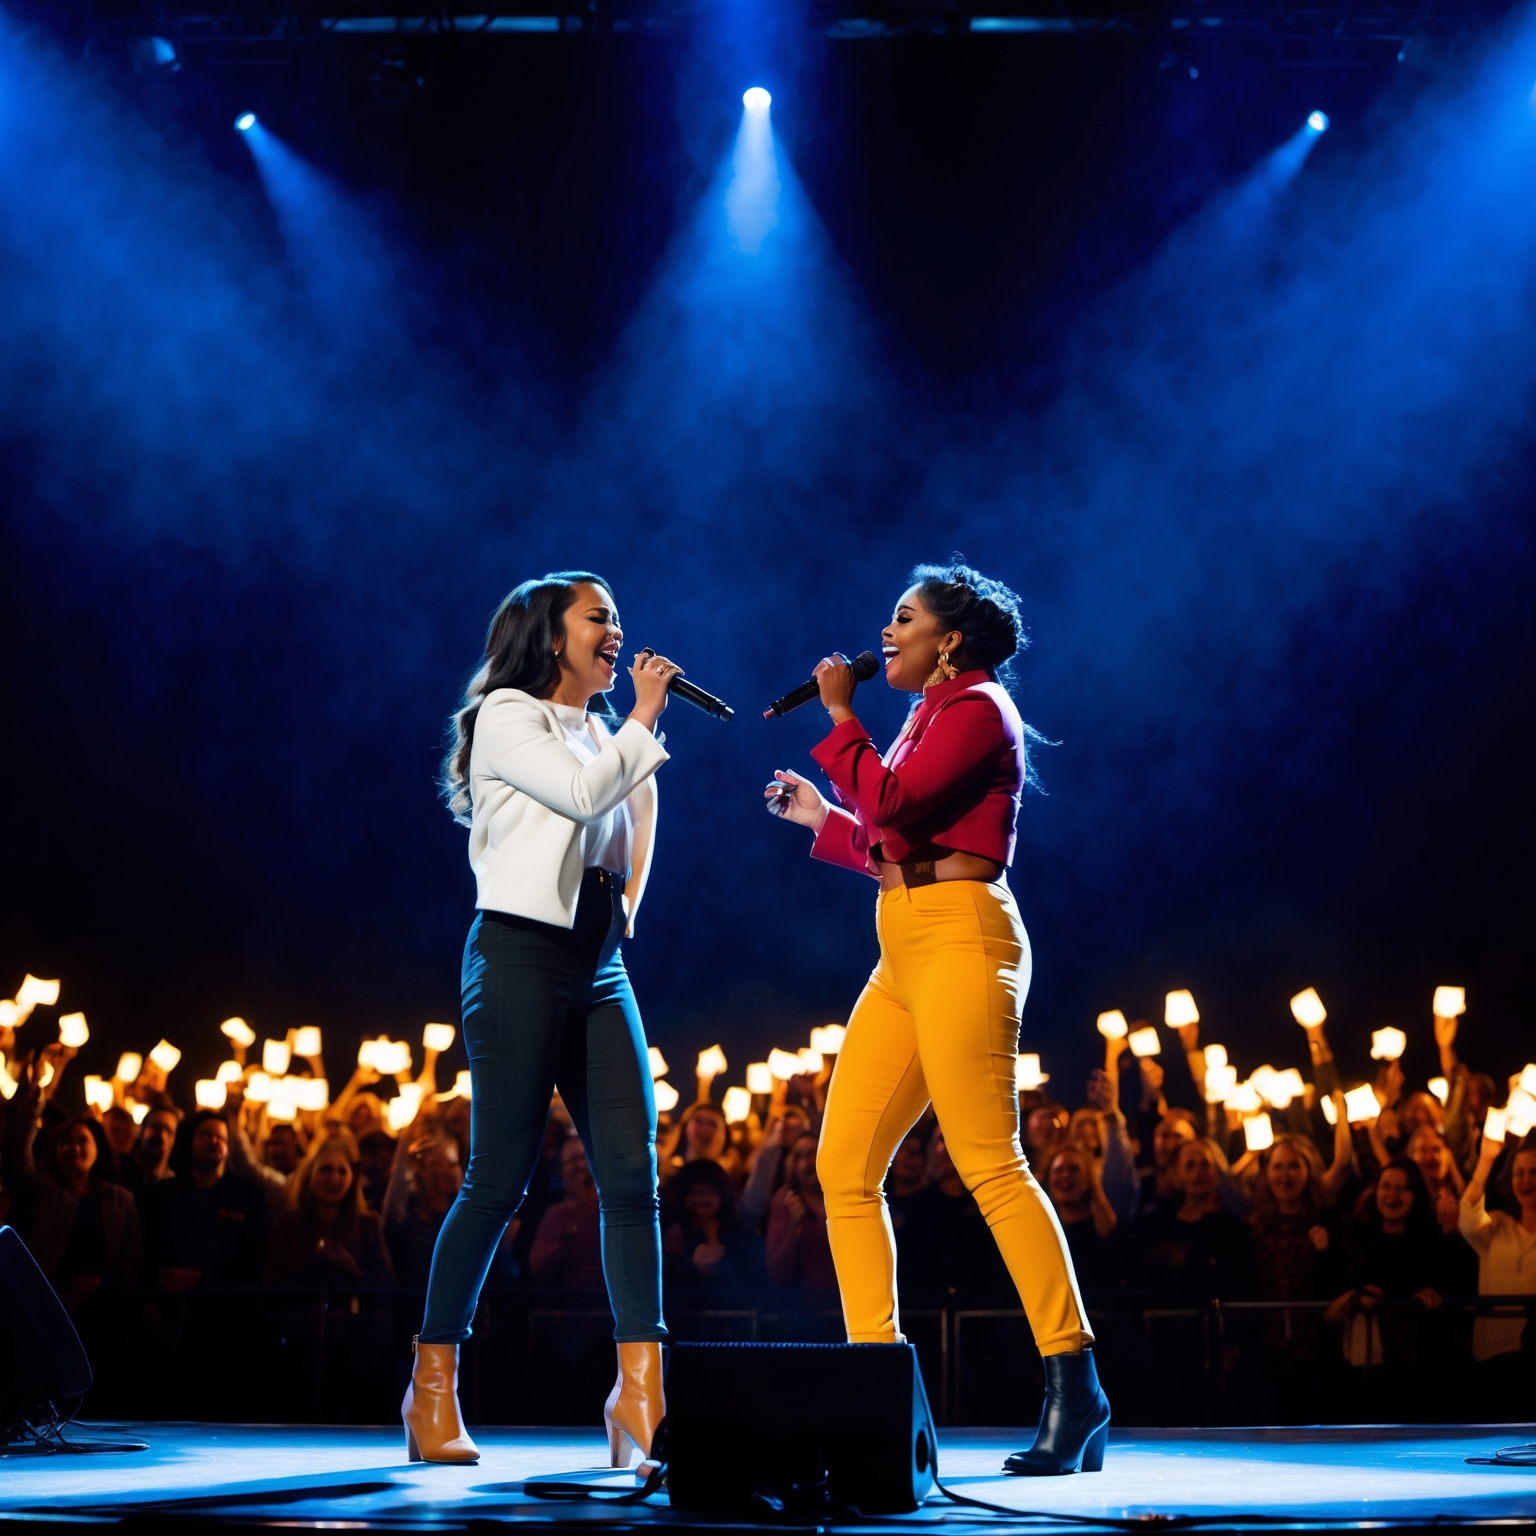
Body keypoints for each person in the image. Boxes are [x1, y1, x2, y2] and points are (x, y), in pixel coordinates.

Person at [765, 561, 1106, 1477]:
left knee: (989, 1161)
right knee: (843, 1167)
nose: (885, 634)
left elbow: (896, 804)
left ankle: (1076, 1386)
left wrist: (840, 718)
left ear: (949, 639)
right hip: (905, 946)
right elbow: (888, 841)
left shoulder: (980, 708)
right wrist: (819, 817)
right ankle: (876, 1382)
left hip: (963, 939)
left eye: (903, 619)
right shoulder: (927, 714)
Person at [407, 572, 678, 1469]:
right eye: (600, 617)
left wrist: (624, 917)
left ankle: (641, 1394)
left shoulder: (604, 727)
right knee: (500, 1180)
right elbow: (583, 796)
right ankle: (432, 1386)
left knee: (633, 1177)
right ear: (548, 633)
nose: (617, 630)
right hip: (519, 956)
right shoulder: (507, 716)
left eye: (617, 616)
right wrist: (643, 715)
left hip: (600, 966)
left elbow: (628, 822)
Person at [137, 1110, 270, 1290]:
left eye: (220, 1137)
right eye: (205, 1135)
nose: (214, 1141)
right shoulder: (162, 1194)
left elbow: (256, 1258)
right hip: (167, 1303)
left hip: (224, 1307)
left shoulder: (249, 1196)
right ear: (190, 1142)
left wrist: (204, 1279)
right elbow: (145, 1251)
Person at [1458, 1131, 1536, 1421]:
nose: (1526, 1181)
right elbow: (1467, 1216)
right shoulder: (1496, 1225)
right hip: (1495, 1354)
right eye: (1519, 1173)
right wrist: (1486, 1159)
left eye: (1534, 1172)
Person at [267, 1129, 394, 1288]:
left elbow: (385, 1287)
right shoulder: (288, 1225)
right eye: (326, 1169)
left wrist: (351, 1271)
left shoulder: (368, 1225)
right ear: (309, 1175)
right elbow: (272, 1287)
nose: (334, 1178)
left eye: (342, 1171)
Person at [662, 1159, 767, 1289]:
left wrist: (722, 1269)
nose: (701, 1199)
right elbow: (667, 1288)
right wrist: (693, 1268)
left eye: (707, 1191)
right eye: (694, 1192)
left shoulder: (745, 1236)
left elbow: (759, 1284)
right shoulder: (676, 1235)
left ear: (723, 1194)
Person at [529, 1136, 604, 1289]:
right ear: (561, 1171)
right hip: (570, 1306)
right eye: (572, 1160)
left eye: (585, 1157)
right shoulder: (556, 1215)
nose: (581, 1165)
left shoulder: (613, 1211)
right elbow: (538, 1268)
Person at [766, 1132, 837, 1290]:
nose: (807, 1163)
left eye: (813, 1153)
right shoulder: (784, 1201)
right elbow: (777, 1273)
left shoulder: (842, 1196)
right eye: (800, 1156)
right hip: (804, 1306)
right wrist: (794, 1225)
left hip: (845, 1301)